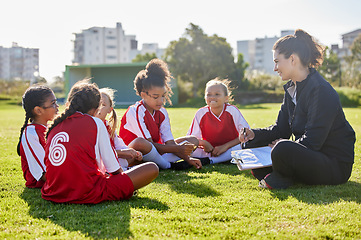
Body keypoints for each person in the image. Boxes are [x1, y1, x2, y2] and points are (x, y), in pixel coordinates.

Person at [239, 29, 355, 189]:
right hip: (310, 156)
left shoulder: (320, 90)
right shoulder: (292, 89)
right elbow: (280, 129)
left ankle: (280, 176)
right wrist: (254, 134)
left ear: (292, 59)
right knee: (252, 143)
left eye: (277, 61)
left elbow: (313, 141)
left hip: (333, 164)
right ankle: (279, 174)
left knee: (282, 148)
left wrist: (282, 145)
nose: (275, 68)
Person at [41, 80, 159, 204]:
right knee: (151, 168)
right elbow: (114, 169)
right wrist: (124, 183)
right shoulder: (95, 123)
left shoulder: (54, 126)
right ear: (96, 108)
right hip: (86, 192)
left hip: (54, 192)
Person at [118, 59, 202, 170]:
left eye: (163, 96)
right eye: (155, 97)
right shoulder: (135, 111)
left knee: (193, 140)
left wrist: (188, 159)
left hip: (155, 152)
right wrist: (178, 149)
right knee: (141, 143)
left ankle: (158, 163)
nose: (161, 101)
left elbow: (169, 142)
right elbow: (148, 144)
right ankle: (168, 166)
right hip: (134, 155)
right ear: (143, 95)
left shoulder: (162, 112)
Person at [187, 78, 250, 164]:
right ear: (205, 97)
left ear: (226, 98)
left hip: (229, 149)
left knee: (244, 145)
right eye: (209, 94)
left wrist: (225, 146)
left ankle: (211, 161)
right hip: (209, 150)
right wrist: (204, 143)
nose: (212, 97)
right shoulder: (201, 113)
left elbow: (246, 134)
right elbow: (191, 139)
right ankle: (217, 158)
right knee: (188, 147)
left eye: (217, 94)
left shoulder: (232, 110)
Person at [96, 87, 157, 170]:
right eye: (96, 104)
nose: (98, 108)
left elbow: (119, 144)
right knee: (149, 167)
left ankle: (130, 168)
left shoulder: (108, 126)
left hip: (114, 160)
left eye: (103, 105)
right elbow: (99, 153)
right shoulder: (90, 127)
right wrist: (121, 152)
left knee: (134, 155)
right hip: (101, 164)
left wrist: (131, 152)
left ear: (110, 110)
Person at [17, 85, 59, 188]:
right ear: (38, 111)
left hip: (57, 174)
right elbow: (43, 173)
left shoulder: (51, 128)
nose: (57, 106)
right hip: (42, 181)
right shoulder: (31, 133)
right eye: (53, 103)